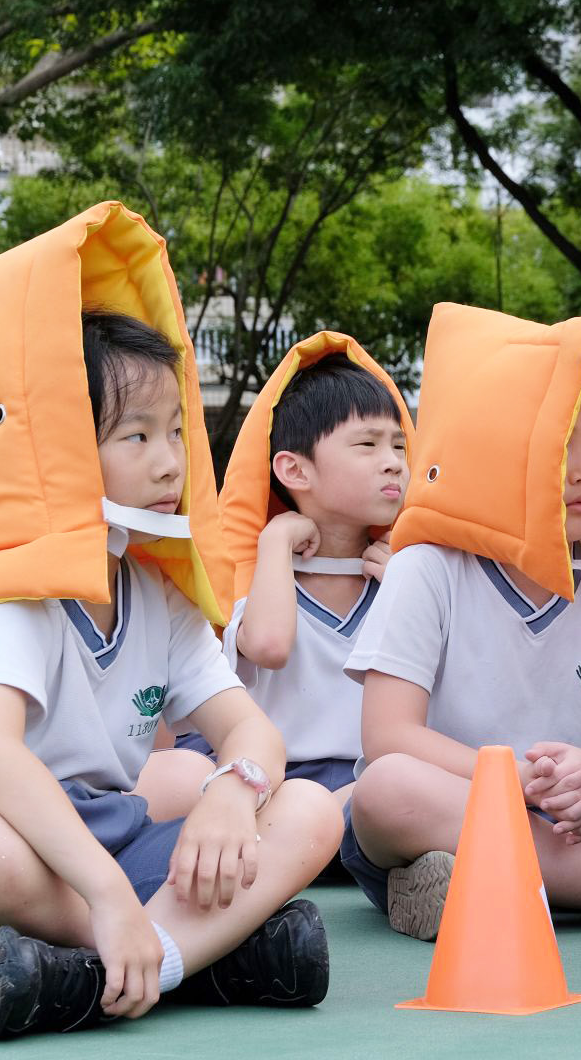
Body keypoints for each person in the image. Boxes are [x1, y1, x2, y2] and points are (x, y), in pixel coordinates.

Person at [0, 204, 342, 1040]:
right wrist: (110, 896)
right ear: (55, 449)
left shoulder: (153, 591)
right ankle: (195, 954)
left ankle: (114, 970)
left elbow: (251, 732)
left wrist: (235, 793)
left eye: (174, 433)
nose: (169, 461)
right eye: (136, 436)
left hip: (103, 840)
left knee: (308, 811)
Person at [342, 305, 581, 939]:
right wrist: (516, 782)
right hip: (459, 803)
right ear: (499, 453)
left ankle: (497, 882)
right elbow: (388, 736)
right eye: (561, 446)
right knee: (385, 790)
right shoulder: (429, 566)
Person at [163, 333, 412, 806]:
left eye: (399, 446)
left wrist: (406, 589)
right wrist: (275, 539)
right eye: (367, 444)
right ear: (294, 470)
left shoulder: (401, 575)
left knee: (396, 789)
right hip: (274, 783)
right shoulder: (261, 573)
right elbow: (269, 647)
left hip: (372, 785)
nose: (393, 464)